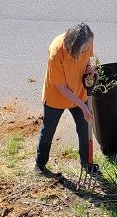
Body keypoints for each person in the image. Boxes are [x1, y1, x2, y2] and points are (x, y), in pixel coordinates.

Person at [35, 23, 98, 175]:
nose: (86, 50)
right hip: (56, 96)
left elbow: (89, 59)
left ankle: (86, 162)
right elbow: (61, 87)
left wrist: (90, 68)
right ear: (72, 47)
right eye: (81, 51)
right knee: (48, 130)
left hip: (79, 90)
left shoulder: (87, 39)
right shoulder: (56, 51)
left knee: (84, 129)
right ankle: (40, 163)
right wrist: (83, 107)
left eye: (87, 48)